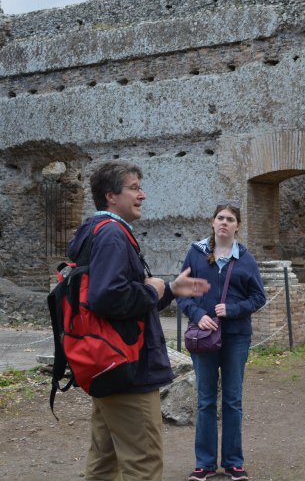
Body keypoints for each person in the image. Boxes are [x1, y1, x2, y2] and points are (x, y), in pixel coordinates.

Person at [73, 161, 211, 481]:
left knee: (104, 463)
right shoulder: (112, 235)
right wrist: (151, 291)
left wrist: (170, 290)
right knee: (143, 464)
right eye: (134, 188)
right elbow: (107, 297)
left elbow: (116, 295)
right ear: (111, 196)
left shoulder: (97, 231)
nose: (142, 195)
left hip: (108, 364)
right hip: (128, 370)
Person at [178, 202, 267, 481]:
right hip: (204, 335)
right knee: (205, 400)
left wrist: (233, 309)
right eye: (220, 218)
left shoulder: (246, 259)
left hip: (236, 336)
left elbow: (258, 297)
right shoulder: (196, 253)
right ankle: (204, 464)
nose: (224, 223)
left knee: (232, 399)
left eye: (230, 219)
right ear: (212, 222)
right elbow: (182, 292)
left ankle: (233, 463)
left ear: (237, 225)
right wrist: (197, 313)